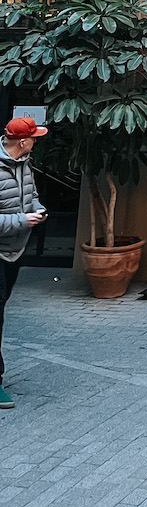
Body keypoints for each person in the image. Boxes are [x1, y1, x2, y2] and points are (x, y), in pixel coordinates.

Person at [0, 116, 48, 409]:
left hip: (14, 250)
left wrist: (38, 209)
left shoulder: (25, 163)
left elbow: (32, 196)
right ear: (22, 141)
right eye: (34, 138)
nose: (36, 142)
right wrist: (22, 220)